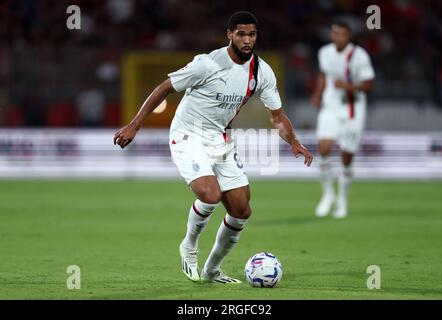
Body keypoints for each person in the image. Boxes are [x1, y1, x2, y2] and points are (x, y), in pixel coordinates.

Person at [114, 11, 313, 283]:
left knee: (241, 209)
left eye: (251, 34)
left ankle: (212, 269)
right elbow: (164, 88)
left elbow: (277, 116)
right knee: (209, 194)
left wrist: (294, 142)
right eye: (241, 34)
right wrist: (135, 125)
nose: (246, 40)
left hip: (220, 138)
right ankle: (189, 245)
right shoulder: (207, 64)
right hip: (188, 133)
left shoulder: (261, 72)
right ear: (229, 35)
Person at [310, 21, 375, 219]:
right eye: (335, 33)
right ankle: (328, 195)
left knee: (346, 157)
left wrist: (347, 86)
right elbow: (323, 75)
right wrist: (318, 94)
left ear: (348, 36)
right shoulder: (325, 52)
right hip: (331, 107)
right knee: (324, 148)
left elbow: (369, 85)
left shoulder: (359, 55)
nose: (338, 37)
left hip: (352, 110)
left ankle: (342, 200)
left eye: (342, 34)